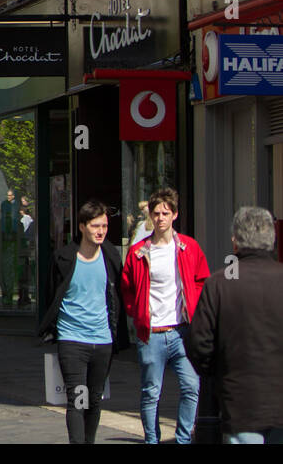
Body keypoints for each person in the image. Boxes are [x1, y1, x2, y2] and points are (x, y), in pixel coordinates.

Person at [119, 187, 208, 445]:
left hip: (182, 332)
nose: (160, 218)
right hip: (151, 333)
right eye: (156, 213)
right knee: (151, 392)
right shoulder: (138, 252)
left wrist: (193, 306)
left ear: (174, 215)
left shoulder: (188, 247)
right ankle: (152, 440)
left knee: (191, 387)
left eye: (165, 213)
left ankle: (182, 440)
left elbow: (202, 279)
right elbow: (127, 287)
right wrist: (136, 312)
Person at [188, 206, 283, 443]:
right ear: (272, 240)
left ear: (235, 242)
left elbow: (199, 343)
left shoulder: (220, 283)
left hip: (239, 404)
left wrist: (218, 373)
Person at [38, 200, 128, 444]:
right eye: (95, 226)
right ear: (82, 227)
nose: (101, 231)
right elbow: (51, 294)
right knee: (78, 398)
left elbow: (117, 295)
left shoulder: (110, 255)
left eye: (105, 226)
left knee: (95, 399)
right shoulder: (64, 257)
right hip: (72, 339)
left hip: (103, 340)